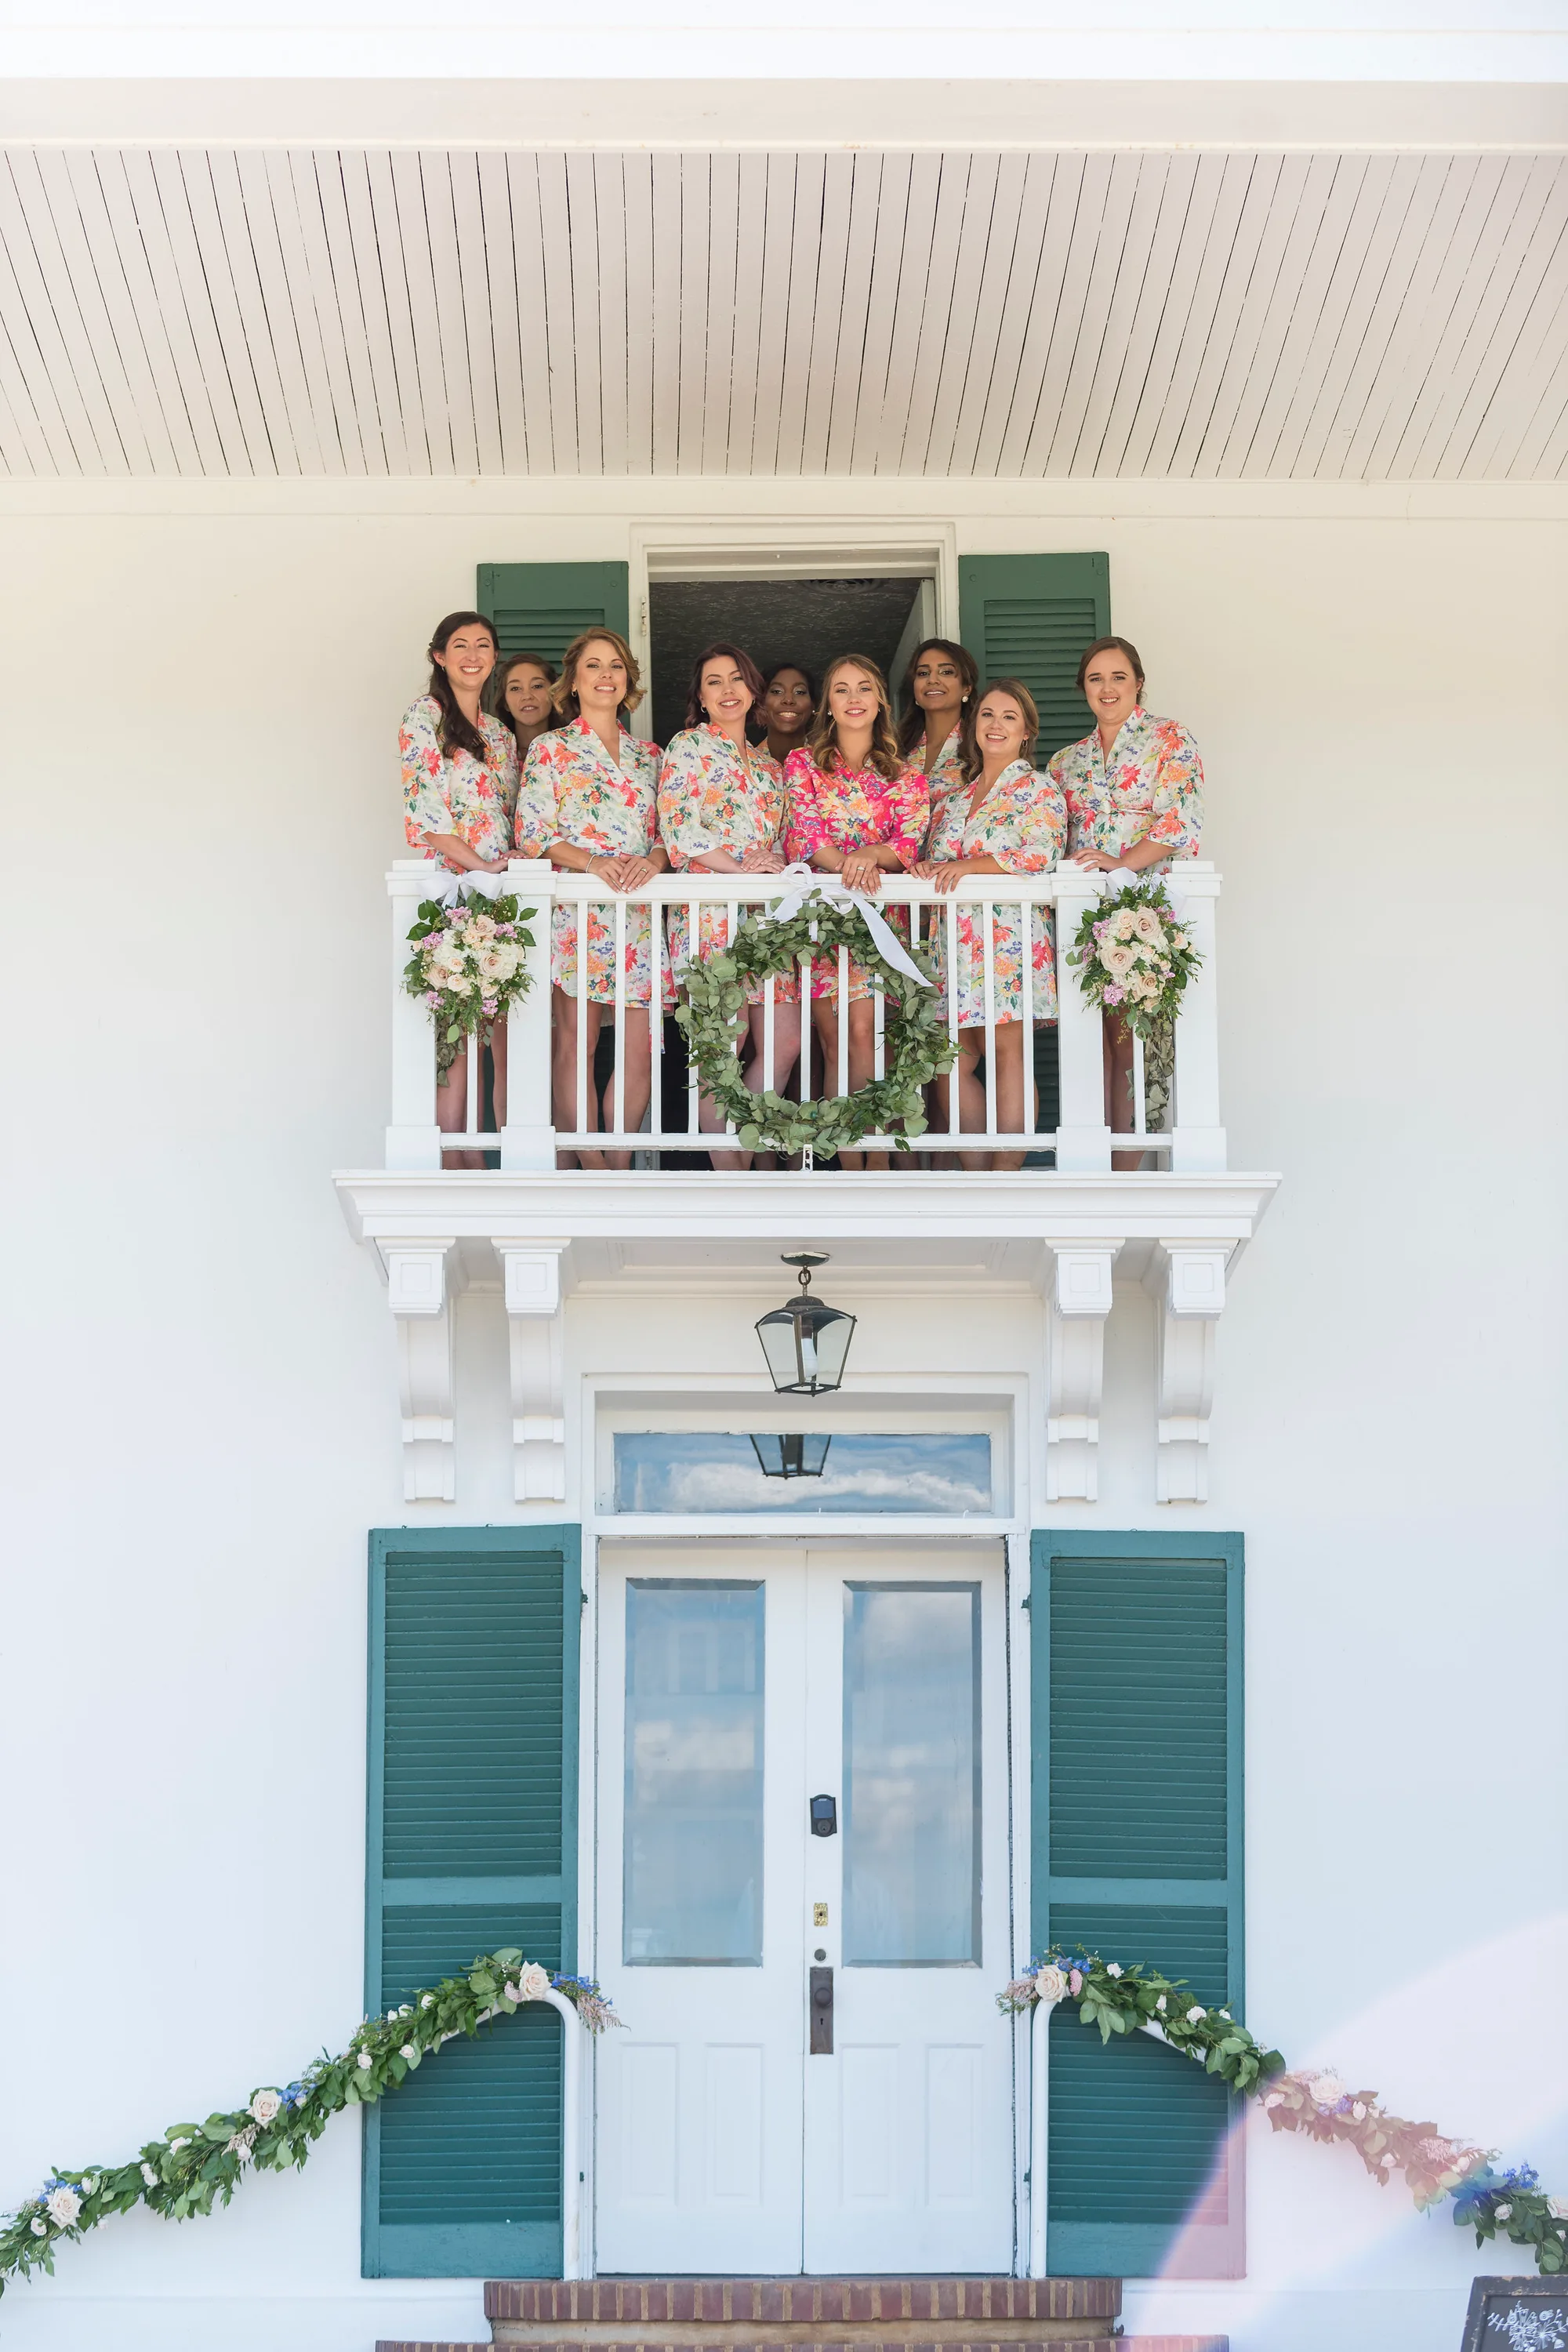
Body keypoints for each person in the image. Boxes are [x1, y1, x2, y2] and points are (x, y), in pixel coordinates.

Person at [513, 628, 667, 1169]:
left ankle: (619, 1165)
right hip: (579, 910)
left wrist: (655, 860)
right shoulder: (551, 749)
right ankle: (589, 1162)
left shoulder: (652, 756)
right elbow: (533, 834)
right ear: (573, 681)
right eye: (595, 666)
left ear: (628, 680)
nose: (607, 675)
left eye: (617, 666)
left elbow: (671, 834)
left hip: (640, 914)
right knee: (576, 1040)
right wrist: (594, 862)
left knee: (637, 1048)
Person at [1047, 636, 1203, 1169]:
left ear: (1138, 682)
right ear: (1083, 689)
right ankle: (1101, 1165)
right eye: (1095, 678)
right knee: (1096, 1045)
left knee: (1135, 1045)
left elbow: (1178, 821)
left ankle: (1128, 1169)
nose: (1107, 688)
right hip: (1085, 919)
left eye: (1118, 677)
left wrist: (1123, 864)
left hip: (1146, 912)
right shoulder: (1066, 763)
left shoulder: (1169, 739)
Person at [913, 679, 1066, 1172]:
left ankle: (1006, 1175)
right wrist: (924, 870)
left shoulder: (1038, 788)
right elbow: (936, 861)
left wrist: (969, 866)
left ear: (1026, 732)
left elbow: (1040, 853)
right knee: (949, 1062)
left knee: (1007, 1054)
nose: (995, 725)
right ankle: (980, 1175)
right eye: (986, 715)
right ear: (972, 727)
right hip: (951, 946)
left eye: (1008, 717)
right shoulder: (953, 800)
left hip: (1008, 940)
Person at [784, 654, 929, 1172]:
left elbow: (911, 840)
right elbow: (802, 834)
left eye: (864, 687)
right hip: (825, 921)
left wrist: (872, 858)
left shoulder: (905, 773)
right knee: (835, 1040)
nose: (853, 698)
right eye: (841, 689)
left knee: (871, 1035)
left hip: (883, 923)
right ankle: (851, 1167)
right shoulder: (803, 764)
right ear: (828, 704)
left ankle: (881, 1164)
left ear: (881, 701)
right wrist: (851, 865)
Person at [657, 641, 799, 1171]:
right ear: (700, 696)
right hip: (711, 913)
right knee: (721, 1053)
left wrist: (772, 865)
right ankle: (731, 1177)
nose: (728, 690)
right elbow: (679, 829)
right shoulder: (688, 747)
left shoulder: (769, 767)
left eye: (737, 679)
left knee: (783, 1043)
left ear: (753, 689)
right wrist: (740, 871)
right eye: (715, 681)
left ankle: (743, 1150)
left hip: (766, 921)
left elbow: (786, 841)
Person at [400, 610, 520, 1167]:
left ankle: (490, 1153)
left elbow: (512, 813)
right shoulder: (424, 717)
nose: (473, 655)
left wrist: (504, 868)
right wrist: (479, 867)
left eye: (484, 645)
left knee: (498, 1026)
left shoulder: (498, 733)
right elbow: (426, 814)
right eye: (460, 645)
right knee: (456, 1028)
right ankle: (454, 1157)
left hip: (498, 891)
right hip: (452, 887)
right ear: (439, 656)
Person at [897, 636, 978, 804]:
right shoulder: (896, 749)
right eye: (923, 673)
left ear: (967, 688)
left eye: (946, 672)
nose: (932, 680)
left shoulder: (981, 747)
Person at [494, 649, 558, 763]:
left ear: (554, 693)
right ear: (505, 702)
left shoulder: (574, 750)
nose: (527, 696)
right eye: (515, 688)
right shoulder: (493, 754)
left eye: (537, 686)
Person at [755, 661, 816, 764]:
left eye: (799, 692)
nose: (788, 700)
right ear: (762, 702)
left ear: (812, 705)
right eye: (777, 691)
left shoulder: (827, 765)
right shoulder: (744, 766)